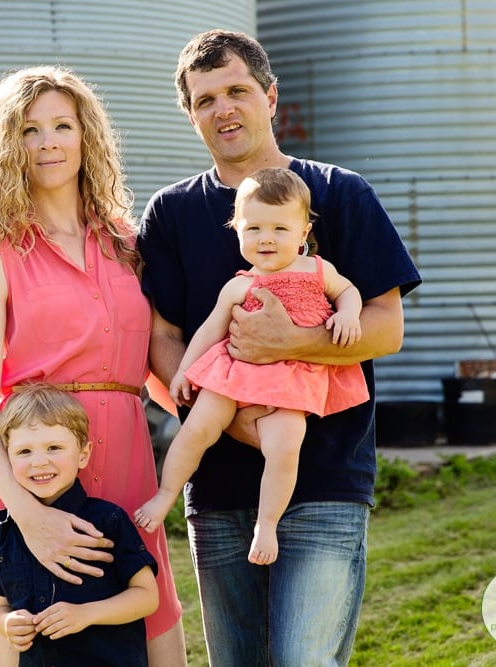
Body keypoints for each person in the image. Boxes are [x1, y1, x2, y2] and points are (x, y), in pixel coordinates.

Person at [137, 30, 422, 666]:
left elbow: (386, 326)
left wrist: (292, 343)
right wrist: (229, 414)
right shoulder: (171, 213)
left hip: (323, 479)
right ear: (190, 114)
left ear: (270, 95)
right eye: (205, 99)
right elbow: (163, 337)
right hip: (215, 489)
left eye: (237, 91)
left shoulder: (339, 193)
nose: (224, 109)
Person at [0, 65, 186, 666]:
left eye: (62, 125)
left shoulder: (127, 242)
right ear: (10, 146)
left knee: (157, 648)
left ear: (87, 137)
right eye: (30, 130)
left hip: (126, 459)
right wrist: (26, 514)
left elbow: (158, 362)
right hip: (32, 471)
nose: (48, 142)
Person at [134, 167, 369, 566]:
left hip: (290, 381)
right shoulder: (239, 284)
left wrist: (348, 314)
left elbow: (349, 292)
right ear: (237, 229)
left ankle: (266, 524)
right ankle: (164, 495)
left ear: (303, 233)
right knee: (196, 429)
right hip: (234, 375)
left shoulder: (317, 270)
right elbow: (209, 332)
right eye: (254, 228)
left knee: (284, 448)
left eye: (280, 228)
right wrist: (184, 373)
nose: (266, 238)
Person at [0, 383, 160, 666]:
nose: (39, 462)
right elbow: (0, 607)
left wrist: (86, 614)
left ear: (83, 454)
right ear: (6, 458)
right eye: (24, 452)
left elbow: (146, 597)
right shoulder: (2, 533)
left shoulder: (108, 521)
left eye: (54, 448)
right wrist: (7, 623)